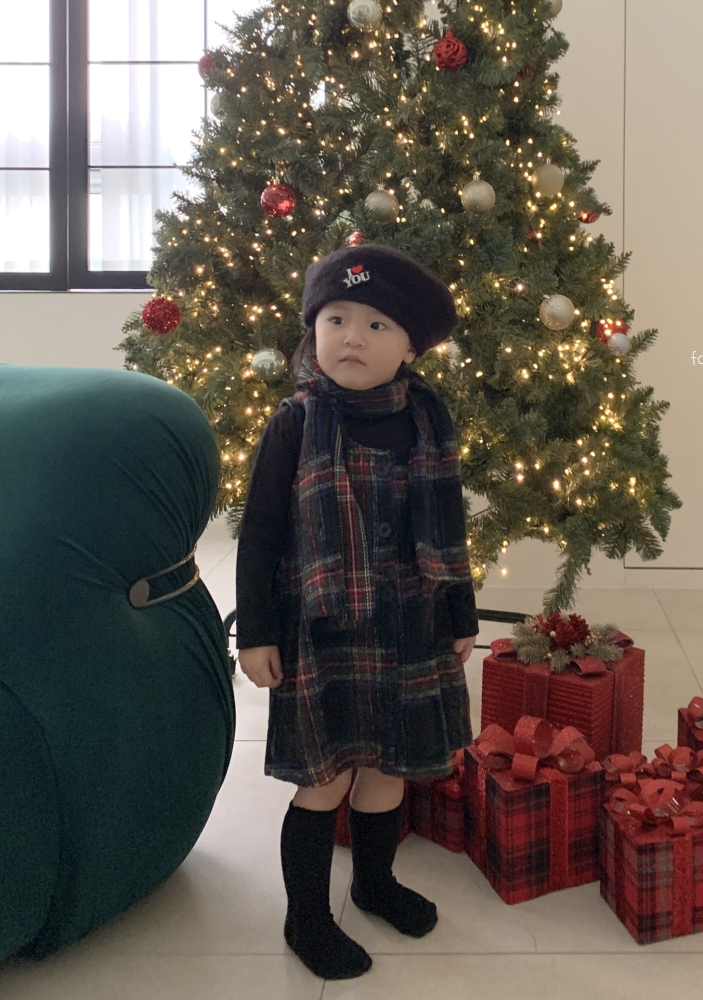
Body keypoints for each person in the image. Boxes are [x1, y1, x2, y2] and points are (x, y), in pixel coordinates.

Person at [235, 243, 478, 980]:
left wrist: (461, 611)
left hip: (411, 623)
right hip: (328, 630)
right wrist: (256, 632)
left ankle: (375, 884)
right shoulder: (296, 422)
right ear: (313, 329)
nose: (352, 337)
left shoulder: (426, 418)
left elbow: (449, 522)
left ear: (410, 348)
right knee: (327, 780)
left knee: (389, 770)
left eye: (377, 325)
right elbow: (260, 532)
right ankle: (306, 918)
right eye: (336, 319)